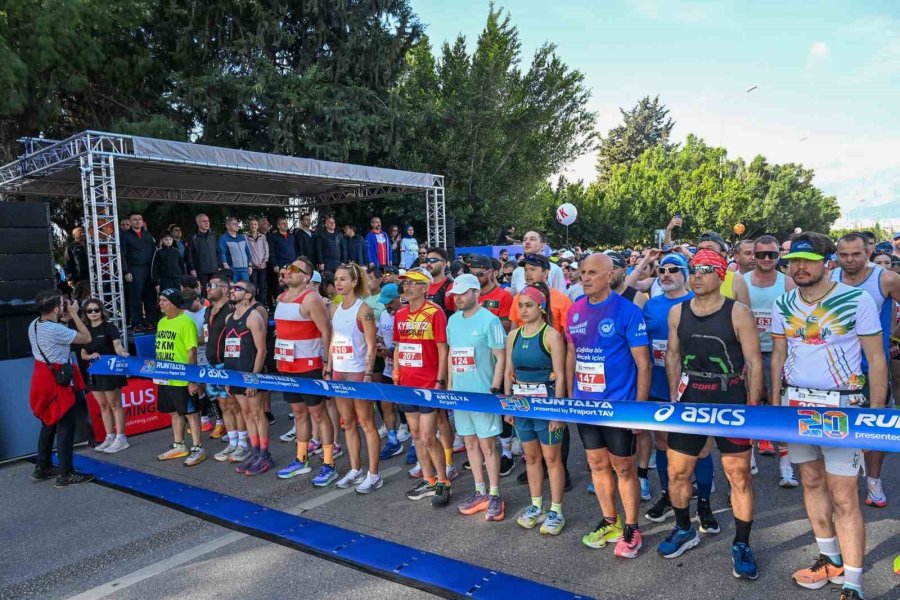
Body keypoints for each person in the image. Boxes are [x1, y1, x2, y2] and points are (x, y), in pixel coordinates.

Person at [772, 232, 887, 600]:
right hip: (796, 406)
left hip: (842, 408)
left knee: (844, 497)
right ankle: (830, 559)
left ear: (827, 263)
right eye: (794, 261)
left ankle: (853, 583)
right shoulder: (783, 302)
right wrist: (774, 406)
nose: (799, 267)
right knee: (810, 482)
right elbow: (778, 356)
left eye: (808, 261)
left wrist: (875, 414)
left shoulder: (857, 299)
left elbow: (877, 358)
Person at [660, 249, 762, 580]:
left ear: (721, 275)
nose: (698, 275)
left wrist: (753, 407)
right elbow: (672, 356)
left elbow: (754, 362)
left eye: (706, 270)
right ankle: (683, 528)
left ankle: (742, 543)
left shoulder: (738, 312)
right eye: (694, 270)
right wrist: (674, 399)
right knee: (678, 472)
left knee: (739, 475)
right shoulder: (677, 311)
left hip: (730, 398)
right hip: (691, 398)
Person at [567, 253, 650, 559]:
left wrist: (639, 410)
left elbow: (643, 364)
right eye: (582, 272)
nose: (585, 278)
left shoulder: (627, 311)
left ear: (610, 276)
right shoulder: (575, 309)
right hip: (586, 406)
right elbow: (572, 355)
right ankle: (610, 521)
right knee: (597, 464)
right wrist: (569, 397)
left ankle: (632, 527)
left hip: (619, 406)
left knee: (624, 467)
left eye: (592, 273)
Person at [642, 254, 719, 529]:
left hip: (695, 385)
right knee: (662, 444)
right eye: (662, 270)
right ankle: (667, 495)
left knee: (701, 448)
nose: (666, 274)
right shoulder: (651, 305)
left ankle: (704, 504)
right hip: (659, 384)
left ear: (686, 274)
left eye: (673, 269)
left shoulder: (696, 302)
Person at [832, 232, 900, 509]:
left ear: (868, 253)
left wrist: (894, 337)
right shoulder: (830, 278)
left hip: (873, 367)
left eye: (856, 254)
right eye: (844, 255)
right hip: (836, 369)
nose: (850, 260)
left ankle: (874, 480)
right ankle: (842, 480)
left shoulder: (885, 279)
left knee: (875, 424)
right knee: (837, 425)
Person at [507, 284, 568, 535]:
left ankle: (556, 511)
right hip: (522, 405)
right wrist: (509, 407)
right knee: (531, 458)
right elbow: (509, 373)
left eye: (529, 305)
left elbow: (561, 377)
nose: (523, 310)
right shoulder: (514, 335)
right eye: (520, 306)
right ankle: (536, 506)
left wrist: (557, 412)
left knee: (552, 459)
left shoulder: (551, 335)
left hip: (546, 404)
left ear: (541, 308)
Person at [274, 258, 340, 486]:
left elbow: (326, 331)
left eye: (294, 269)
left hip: (309, 366)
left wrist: (327, 363)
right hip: (286, 365)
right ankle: (301, 459)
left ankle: (329, 463)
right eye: (287, 267)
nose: (288, 271)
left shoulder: (311, 299)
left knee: (319, 415)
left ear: (306, 277)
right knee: (299, 413)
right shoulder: (282, 297)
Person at [447, 274, 508, 521]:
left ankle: (494, 494)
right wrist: (450, 386)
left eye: (462, 293)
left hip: (483, 394)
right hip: (460, 395)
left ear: (476, 293)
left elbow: (501, 357)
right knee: (470, 443)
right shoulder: (453, 320)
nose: (458, 298)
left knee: (487, 445)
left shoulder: (490, 320)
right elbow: (452, 354)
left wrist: (494, 389)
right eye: (455, 294)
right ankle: (479, 490)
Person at [394, 267, 452, 506]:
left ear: (425, 287)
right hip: (407, 383)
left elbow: (442, 349)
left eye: (413, 283)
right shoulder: (400, 314)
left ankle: (443, 482)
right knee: (416, 435)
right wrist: (396, 372)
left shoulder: (435, 312)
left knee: (428, 436)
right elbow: (399, 346)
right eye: (405, 283)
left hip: (428, 384)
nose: (407, 287)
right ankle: (428, 480)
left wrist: (440, 381)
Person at [744, 235, 798, 487]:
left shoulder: (787, 283)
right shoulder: (742, 281)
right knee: (750, 404)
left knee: (781, 406)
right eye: (761, 254)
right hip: (749, 353)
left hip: (779, 353)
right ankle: (749, 456)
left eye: (772, 255)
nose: (766, 259)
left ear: (779, 256)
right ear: (753, 256)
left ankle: (786, 465)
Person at [29, 290, 93, 487]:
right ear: (56, 309)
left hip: (42, 379)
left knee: (48, 424)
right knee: (66, 426)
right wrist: (74, 314)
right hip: (57, 383)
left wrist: (65, 318)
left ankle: (42, 467)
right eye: (62, 304)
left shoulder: (34, 324)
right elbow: (86, 338)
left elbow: (59, 332)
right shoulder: (56, 330)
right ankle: (66, 473)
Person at [327, 263, 382, 492]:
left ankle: (374, 474)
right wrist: (328, 367)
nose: (338, 283)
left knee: (366, 423)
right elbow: (333, 339)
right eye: (336, 279)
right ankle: (355, 468)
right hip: (339, 372)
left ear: (354, 282)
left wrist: (368, 373)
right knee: (348, 422)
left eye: (343, 279)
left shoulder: (364, 309)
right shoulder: (334, 309)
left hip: (358, 372)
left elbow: (371, 345)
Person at [221, 281, 272, 475]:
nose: (232, 291)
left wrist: (254, 378)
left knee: (257, 413)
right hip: (235, 374)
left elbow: (262, 350)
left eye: (237, 289)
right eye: (232, 288)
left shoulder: (253, 316)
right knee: (247, 414)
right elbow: (229, 349)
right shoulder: (229, 317)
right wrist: (228, 379)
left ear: (248, 295)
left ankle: (264, 455)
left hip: (250, 373)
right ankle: (255, 452)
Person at [154, 288, 205, 466]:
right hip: (165, 376)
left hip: (183, 377)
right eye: (160, 300)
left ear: (175, 303)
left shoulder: (186, 322)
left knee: (191, 413)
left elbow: (192, 352)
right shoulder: (162, 322)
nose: (160, 303)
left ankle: (198, 447)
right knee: (173, 411)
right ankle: (179, 445)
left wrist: (192, 379)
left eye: (164, 300)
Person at [80, 299, 130, 454]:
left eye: (96, 310)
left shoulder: (109, 327)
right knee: (103, 405)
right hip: (94, 372)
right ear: (86, 313)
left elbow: (117, 345)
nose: (93, 313)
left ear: (102, 311)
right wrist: (89, 356)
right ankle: (109, 436)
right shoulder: (85, 330)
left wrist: (122, 353)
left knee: (115, 404)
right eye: (90, 311)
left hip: (110, 370)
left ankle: (121, 438)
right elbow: (83, 353)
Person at [374, 283, 409, 460]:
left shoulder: (407, 315)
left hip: (406, 369)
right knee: (386, 404)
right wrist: (379, 344)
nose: (387, 305)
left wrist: (390, 352)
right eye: (385, 302)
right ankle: (393, 440)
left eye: (390, 301)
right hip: (389, 369)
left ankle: (415, 443)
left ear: (398, 298)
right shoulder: (383, 315)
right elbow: (380, 335)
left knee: (409, 408)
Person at [122, 213, 157, 330]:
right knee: (135, 297)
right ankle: (137, 322)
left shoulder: (147, 235)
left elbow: (154, 252)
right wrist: (126, 271)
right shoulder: (125, 236)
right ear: (130, 222)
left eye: (140, 219)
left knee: (150, 296)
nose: (138, 221)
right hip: (134, 269)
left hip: (148, 269)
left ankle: (151, 321)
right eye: (135, 219)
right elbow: (122, 254)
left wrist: (155, 270)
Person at [468, 254, 513, 332]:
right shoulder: (468, 295)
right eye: (472, 275)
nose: (476, 278)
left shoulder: (504, 296)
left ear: (490, 272)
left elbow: (506, 327)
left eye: (480, 274)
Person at [186, 213, 219, 292]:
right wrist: (192, 268)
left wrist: (219, 265)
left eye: (208, 221)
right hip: (201, 271)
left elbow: (217, 252)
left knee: (213, 292)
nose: (207, 223)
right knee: (203, 292)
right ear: (198, 223)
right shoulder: (193, 237)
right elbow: (189, 255)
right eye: (204, 221)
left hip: (214, 270)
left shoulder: (213, 235)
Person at [218, 217, 253, 283]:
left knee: (245, 287)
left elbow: (247, 252)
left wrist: (250, 265)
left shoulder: (241, 237)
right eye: (234, 224)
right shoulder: (223, 238)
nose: (237, 225)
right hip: (233, 269)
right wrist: (226, 266)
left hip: (244, 269)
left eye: (237, 224)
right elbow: (222, 253)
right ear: (227, 226)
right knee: (233, 288)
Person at [424, 247, 456, 316]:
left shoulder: (452, 287)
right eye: (427, 260)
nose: (428, 263)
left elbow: (459, 316)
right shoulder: (421, 285)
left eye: (433, 260)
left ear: (444, 264)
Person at [246, 217, 269, 304]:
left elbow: (266, 249)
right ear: (249, 226)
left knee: (262, 286)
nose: (253, 226)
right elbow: (246, 251)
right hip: (252, 266)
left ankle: (261, 304)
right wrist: (251, 263)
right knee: (253, 286)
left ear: (258, 226)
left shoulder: (263, 237)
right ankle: (253, 303)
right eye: (251, 224)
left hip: (262, 265)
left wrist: (265, 260)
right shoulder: (245, 237)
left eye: (255, 224)